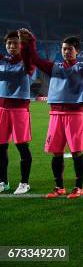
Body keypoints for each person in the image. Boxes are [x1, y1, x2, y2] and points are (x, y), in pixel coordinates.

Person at [19, 29, 83, 199]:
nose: (66, 51)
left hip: (74, 114)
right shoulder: (54, 67)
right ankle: (59, 187)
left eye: (70, 49)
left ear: (77, 51)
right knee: (56, 152)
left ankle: (78, 187)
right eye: (64, 48)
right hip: (55, 114)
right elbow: (35, 59)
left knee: (76, 152)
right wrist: (30, 41)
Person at [0, 30, 34, 195]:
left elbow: (29, 55)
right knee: (1, 147)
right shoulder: (2, 60)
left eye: (15, 43)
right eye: (9, 43)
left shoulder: (26, 62)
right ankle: (3, 182)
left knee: (21, 146)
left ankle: (24, 183)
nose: (12, 46)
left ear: (21, 45)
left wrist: (29, 41)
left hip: (19, 109)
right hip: (1, 109)